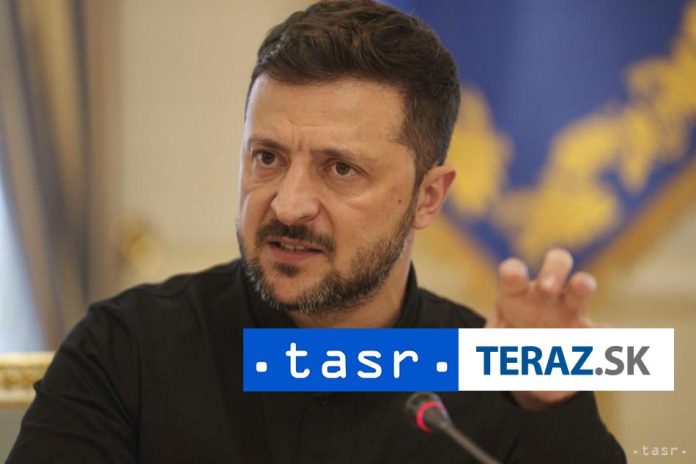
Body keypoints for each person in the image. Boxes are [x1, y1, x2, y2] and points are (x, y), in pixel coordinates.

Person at [8, 1, 626, 462]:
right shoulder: (126, 349)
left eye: (341, 169)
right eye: (267, 157)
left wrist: (552, 411)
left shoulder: (500, 384)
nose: (289, 204)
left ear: (428, 197)